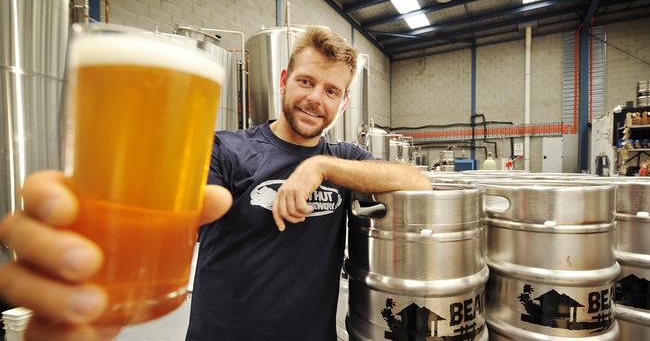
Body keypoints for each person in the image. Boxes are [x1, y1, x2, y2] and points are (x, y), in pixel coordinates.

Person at [0, 27, 431, 341]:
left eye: (332, 91)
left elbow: (415, 181)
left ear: (344, 102)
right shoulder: (225, 149)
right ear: (283, 80)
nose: (317, 98)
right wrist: (93, 260)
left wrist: (316, 168)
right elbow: (167, 218)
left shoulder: (343, 160)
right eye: (306, 81)